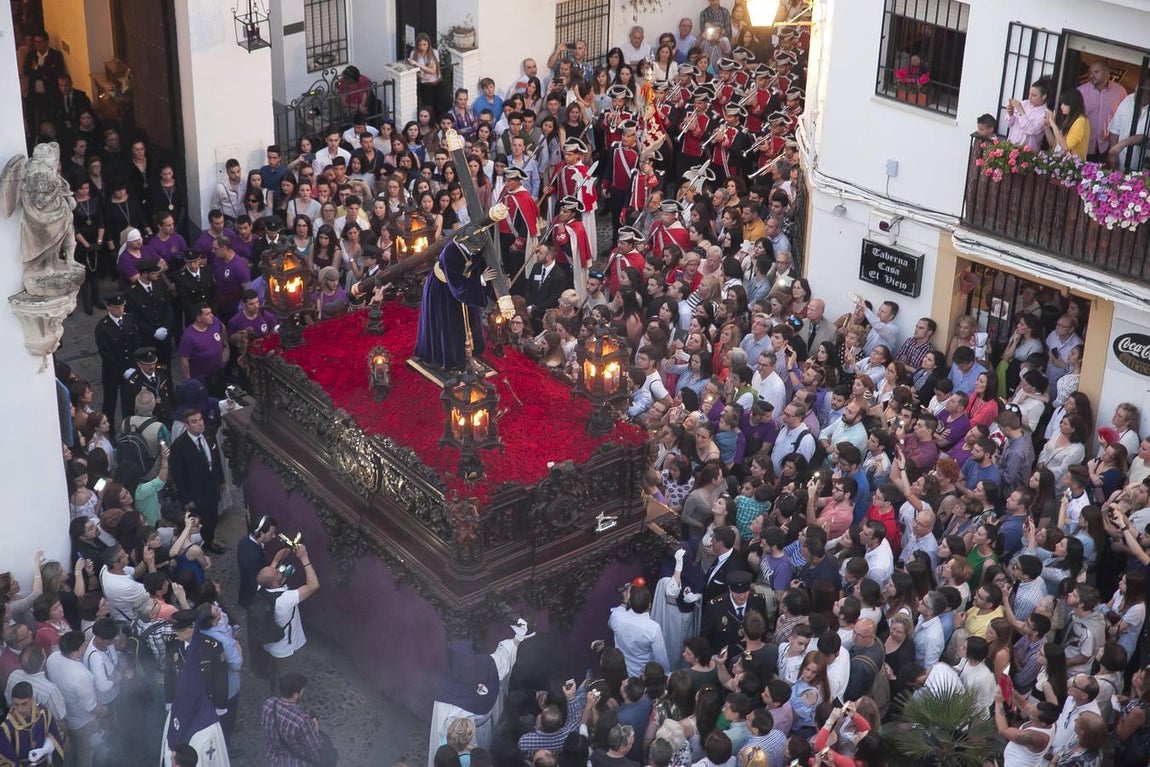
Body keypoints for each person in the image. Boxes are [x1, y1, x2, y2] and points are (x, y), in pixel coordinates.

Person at [169, 409, 226, 553]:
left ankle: (209, 541)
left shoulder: (208, 435)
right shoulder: (179, 446)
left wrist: (221, 480)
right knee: (196, 522)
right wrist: (186, 499)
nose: (200, 424)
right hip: (195, 493)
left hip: (211, 489)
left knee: (212, 517)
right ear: (186, 425)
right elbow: (178, 475)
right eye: (194, 421)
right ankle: (194, 546)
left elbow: (216, 459)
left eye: (201, 419)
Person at [257, 542, 321, 661]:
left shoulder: (260, 588)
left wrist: (282, 554)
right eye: (277, 573)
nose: (279, 571)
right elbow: (313, 586)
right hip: (285, 649)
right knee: (288, 677)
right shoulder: (284, 600)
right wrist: (304, 558)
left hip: (268, 643)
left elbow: (272, 567)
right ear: (275, 584)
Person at [262, 673, 332, 767]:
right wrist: (315, 728)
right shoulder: (302, 720)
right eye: (302, 691)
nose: (303, 693)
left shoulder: (269, 703)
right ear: (295, 695)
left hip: (273, 757)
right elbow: (314, 747)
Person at [94, 293, 141, 429]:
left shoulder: (129, 319)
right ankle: (110, 431)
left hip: (130, 368)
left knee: (129, 401)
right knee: (110, 403)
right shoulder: (102, 327)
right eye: (116, 308)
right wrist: (122, 370)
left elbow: (136, 343)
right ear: (108, 308)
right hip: (112, 372)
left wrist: (133, 365)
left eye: (122, 307)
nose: (120, 310)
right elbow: (106, 354)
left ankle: (130, 428)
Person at [0, 680, 65, 766]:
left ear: (32, 699)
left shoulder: (43, 714)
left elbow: (57, 734)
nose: (20, 709)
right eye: (16, 704)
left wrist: (46, 749)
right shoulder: (7, 727)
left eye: (24, 704)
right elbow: (5, 759)